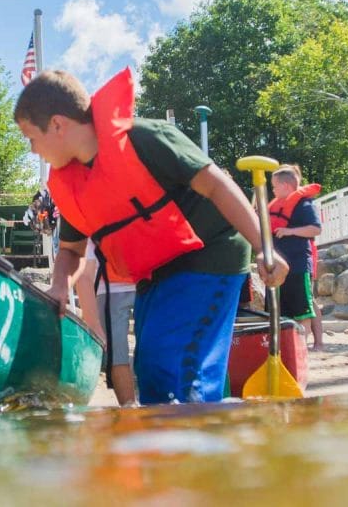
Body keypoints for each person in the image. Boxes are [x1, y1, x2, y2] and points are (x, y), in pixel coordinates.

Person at [16, 68, 288, 405]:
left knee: (177, 369)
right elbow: (71, 250)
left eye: (31, 137)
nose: (32, 150)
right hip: (154, 271)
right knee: (151, 371)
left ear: (57, 125)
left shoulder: (145, 139)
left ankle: (201, 442)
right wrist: (59, 286)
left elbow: (217, 184)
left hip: (210, 254)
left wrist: (264, 247)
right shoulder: (71, 183)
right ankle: (185, 441)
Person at [267, 166, 324, 351]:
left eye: (274, 186)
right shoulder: (276, 205)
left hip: (298, 264)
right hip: (279, 266)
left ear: (285, 186)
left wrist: (289, 231)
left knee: (303, 307)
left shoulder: (304, 205)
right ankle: (287, 348)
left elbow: (316, 229)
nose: (273, 190)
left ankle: (304, 347)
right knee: (282, 308)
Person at [74, 241, 137, 405]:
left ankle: (137, 408)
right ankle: (129, 408)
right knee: (116, 354)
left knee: (120, 354)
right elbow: (84, 275)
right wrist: (93, 323)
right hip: (111, 288)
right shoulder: (91, 227)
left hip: (147, 284)